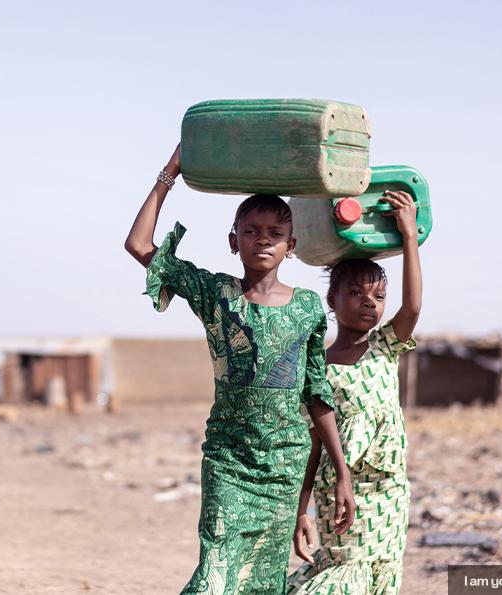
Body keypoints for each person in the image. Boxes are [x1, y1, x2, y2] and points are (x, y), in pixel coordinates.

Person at [125, 145, 355, 594]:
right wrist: (169, 174)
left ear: (291, 246)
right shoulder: (215, 293)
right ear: (234, 242)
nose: (263, 239)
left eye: (275, 232)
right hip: (229, 462)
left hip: (283, 468)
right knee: (214, 577)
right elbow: (138, 245)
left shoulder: (308, 308)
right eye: (250, 231)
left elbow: (316, 393)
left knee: (261, 584)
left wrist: (341, 473)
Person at [287, 189, 423, 595]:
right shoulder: (318, 366)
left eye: (378, 296)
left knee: (380, 574)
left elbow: (413, 308)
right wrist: (302, 509)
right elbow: (314, 442)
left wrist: (410, 237)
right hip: (342, 490)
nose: (369, 303)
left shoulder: (385, 346)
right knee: (345, 573)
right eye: (356, 294)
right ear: (332, 299)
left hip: (390, 490)